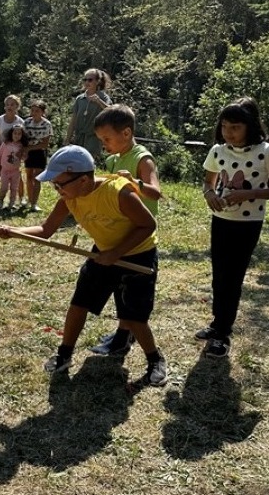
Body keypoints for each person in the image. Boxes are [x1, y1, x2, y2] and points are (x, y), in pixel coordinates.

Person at [0, 145, 167, 386]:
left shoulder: (119, 193)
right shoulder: (68, 199)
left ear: (83, 180)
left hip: (137, 256)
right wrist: (14, 232)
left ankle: (155, 359)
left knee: (134, 316)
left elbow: (149, 225)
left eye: (60, 183)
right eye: (54, 184)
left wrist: (117, 253)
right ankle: (64, 354)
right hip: (103, 254)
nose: (57, 189)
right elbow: (46, 230)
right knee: (78, 304)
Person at [196, 97, 269, 358]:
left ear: (249, 126)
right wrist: (209, 195)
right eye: (225, 126)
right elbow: (208, 181)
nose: (229, 132)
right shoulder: (218, 150)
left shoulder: (265, 152)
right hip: (221, 220)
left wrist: (248, 195)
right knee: (219, 274)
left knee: (233, 277)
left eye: (235, 127)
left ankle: (223, 334)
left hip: (247, 224)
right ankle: (217, 323)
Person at [90, 104, 162, 356]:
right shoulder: (113, 160)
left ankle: (126, 335)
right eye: (101, 140)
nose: (104, 145)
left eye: (107, 139)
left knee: (132, 294)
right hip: (116, 233)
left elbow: (156, 191)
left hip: (138, 237)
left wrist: (135, 182)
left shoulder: (142, 157)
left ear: (126, 133)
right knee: (119, 288)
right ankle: (123, 334)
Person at [65, 68, 113, 159]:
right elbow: (73, 121)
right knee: (76, 164)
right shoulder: (80, 98)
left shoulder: (103, 97)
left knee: (88, 164)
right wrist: (67, 139)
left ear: (97, 81)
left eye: (90, 80)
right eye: (85, 80)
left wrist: (99, 101)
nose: (87, 82)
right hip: (79, 137)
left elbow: (111, 112)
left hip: (93, 138)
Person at [0, 94, 26, 206]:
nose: (9, 107)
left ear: (17, 106)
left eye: (12, 104)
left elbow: (24, 138)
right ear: (4, 106)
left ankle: (21, 198)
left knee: (18, 176)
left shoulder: (21, 122)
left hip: (15, 154)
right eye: (7, 104)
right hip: (2, 151)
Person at [24, 100, 53, 212]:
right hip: (28, 152)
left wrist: (29, 148)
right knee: (29, 176)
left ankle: (34, 203)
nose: (34, 113)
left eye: (37, 111)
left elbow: (45, 143)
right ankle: (29, 199)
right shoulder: (26, 123)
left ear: (42, 112)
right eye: (32, 110)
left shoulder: (47, 124)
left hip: (39, 152)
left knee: (37, 178)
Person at [0, 124, 29, 210]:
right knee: (4, 187)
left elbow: (24, 157)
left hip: (15, 171)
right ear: (11, 134)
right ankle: (0, 201)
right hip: (5, 170)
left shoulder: (21, 146)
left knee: (14, 188)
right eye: (15, 133)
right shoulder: (6, 143)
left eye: (19, 134)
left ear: (22, 135)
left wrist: (23, 155)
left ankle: (11, 203)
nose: (17, 136)